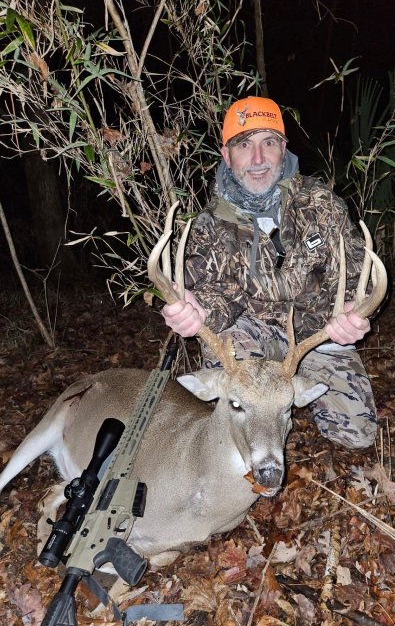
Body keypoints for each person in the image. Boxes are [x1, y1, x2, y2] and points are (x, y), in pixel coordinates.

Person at [162, 95, 378, 450]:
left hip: (319, 338)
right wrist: (197, 311)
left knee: (356, 435)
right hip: (254, 340)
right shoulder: (210, 226)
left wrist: (356, 312)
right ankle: (255, 429)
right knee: (225, 355)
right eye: (244, 145)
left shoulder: (321, 205)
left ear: (283, 149)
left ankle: (289, 391)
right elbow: (217, 295)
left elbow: (358, 278)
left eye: (269, 143)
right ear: (226, 156)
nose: (258, 159)